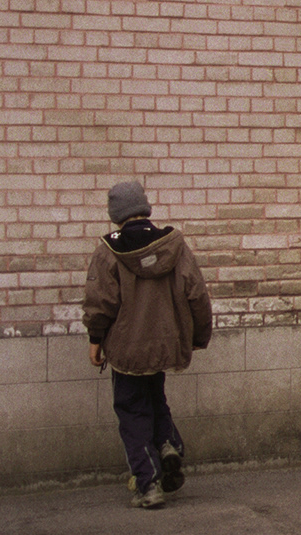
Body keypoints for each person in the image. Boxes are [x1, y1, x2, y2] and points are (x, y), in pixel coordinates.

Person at [83, 181, 212, 508]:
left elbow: (100, 302)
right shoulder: (173, 245)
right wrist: (198, 337)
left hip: (127, 349)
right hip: (165, 345)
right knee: (155, 397)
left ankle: (148, 485)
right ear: (145, 208)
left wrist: (95, 340)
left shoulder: (108, 251)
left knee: (131, 410)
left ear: (116, 214)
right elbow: (197, 294)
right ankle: (168, 444)